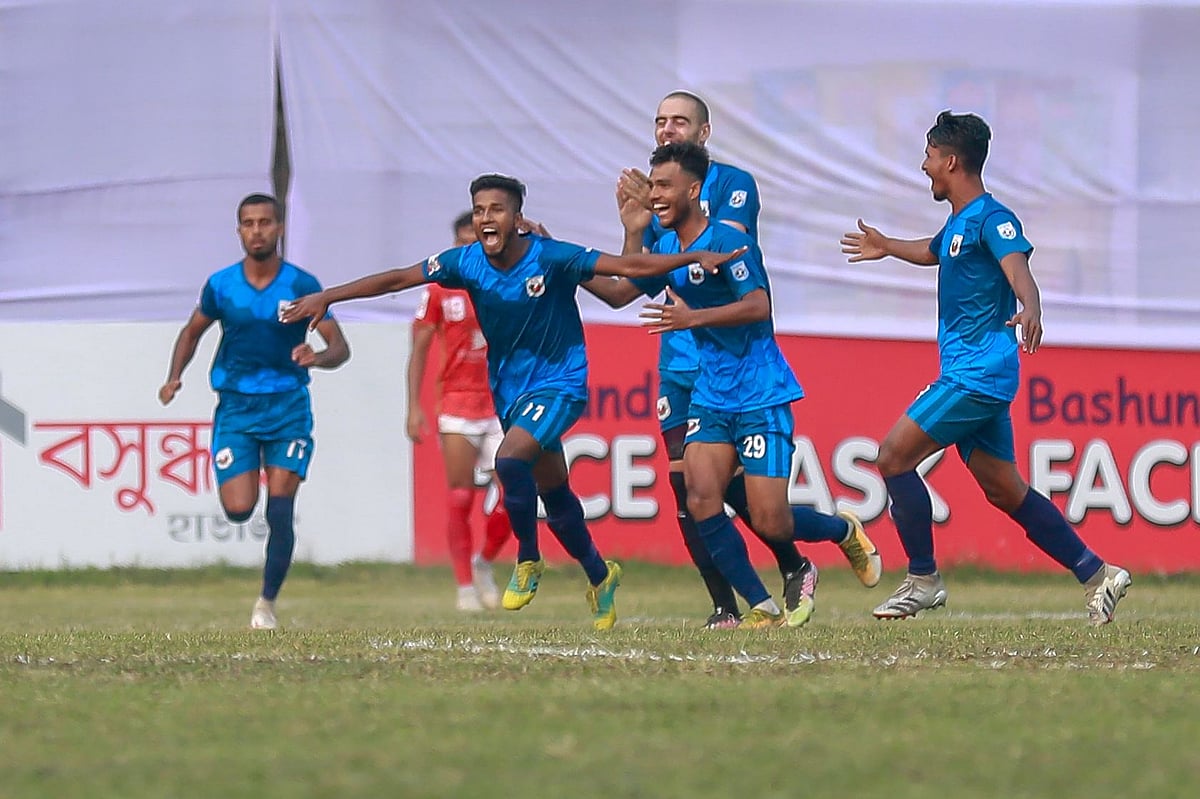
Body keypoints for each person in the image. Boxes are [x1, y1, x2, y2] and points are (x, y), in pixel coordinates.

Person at [283, 174, 746, 630]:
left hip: (561, 384)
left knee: (508, 460)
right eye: (479, 210)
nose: (486, 218)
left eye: (496, 210)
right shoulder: (465, 262)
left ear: (518, 218)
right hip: (511, 393)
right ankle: (600, 575)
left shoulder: (550, 256)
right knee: (556, 497)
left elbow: (629, 271)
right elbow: (399, 278)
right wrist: (329, 296)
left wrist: (693, 255)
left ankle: (527, 558)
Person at [585, 91, 881, 629]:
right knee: (699, 497)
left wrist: (691, 317)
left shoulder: (726, 234)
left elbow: (759, 305)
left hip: (758, 388)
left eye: (664, 187)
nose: (655, 195)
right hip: (707, 389)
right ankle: (754, 606)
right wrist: (556, 260)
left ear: (693, 187)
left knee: (770, 518)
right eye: (653, 186)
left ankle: (838, 533)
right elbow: (620, 289)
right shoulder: (667, 244)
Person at [839, 110, 1131, 624]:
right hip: (976, 373)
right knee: (1004, 490)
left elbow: (1018, 269)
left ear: (951, 161)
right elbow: (933, 251)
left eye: (929, 155)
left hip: (976, 374)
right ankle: (1097, 573)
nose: (924, 165)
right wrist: (886, 246)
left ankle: (923, 579)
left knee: (892, 457)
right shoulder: (959, 222)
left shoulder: (994, 219)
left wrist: (1031, 306)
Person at [159, 193, 350, 630]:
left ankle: (266, 602)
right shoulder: (221, 285)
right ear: (239, 230)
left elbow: (339, 346)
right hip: (237, 407)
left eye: (265, 222)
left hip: (287, 406)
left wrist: (317, 357)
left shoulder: (301, 284)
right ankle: (247, 491)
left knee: (279, 509)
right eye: (249, 223)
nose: (257, 230)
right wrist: (174, 376)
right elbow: (192, 332)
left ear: (279, 228)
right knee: (240, 508)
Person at [407, 211, 512, 611]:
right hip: (456, 403)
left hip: (500, 403)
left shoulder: (504, 281)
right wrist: (413, 407)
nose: (471, 248)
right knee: (460, 497)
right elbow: (419, 349)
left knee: (516, 493)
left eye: (478, 241)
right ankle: (465, 586)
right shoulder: (439, 289)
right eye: (464, 242)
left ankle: (484, 562)